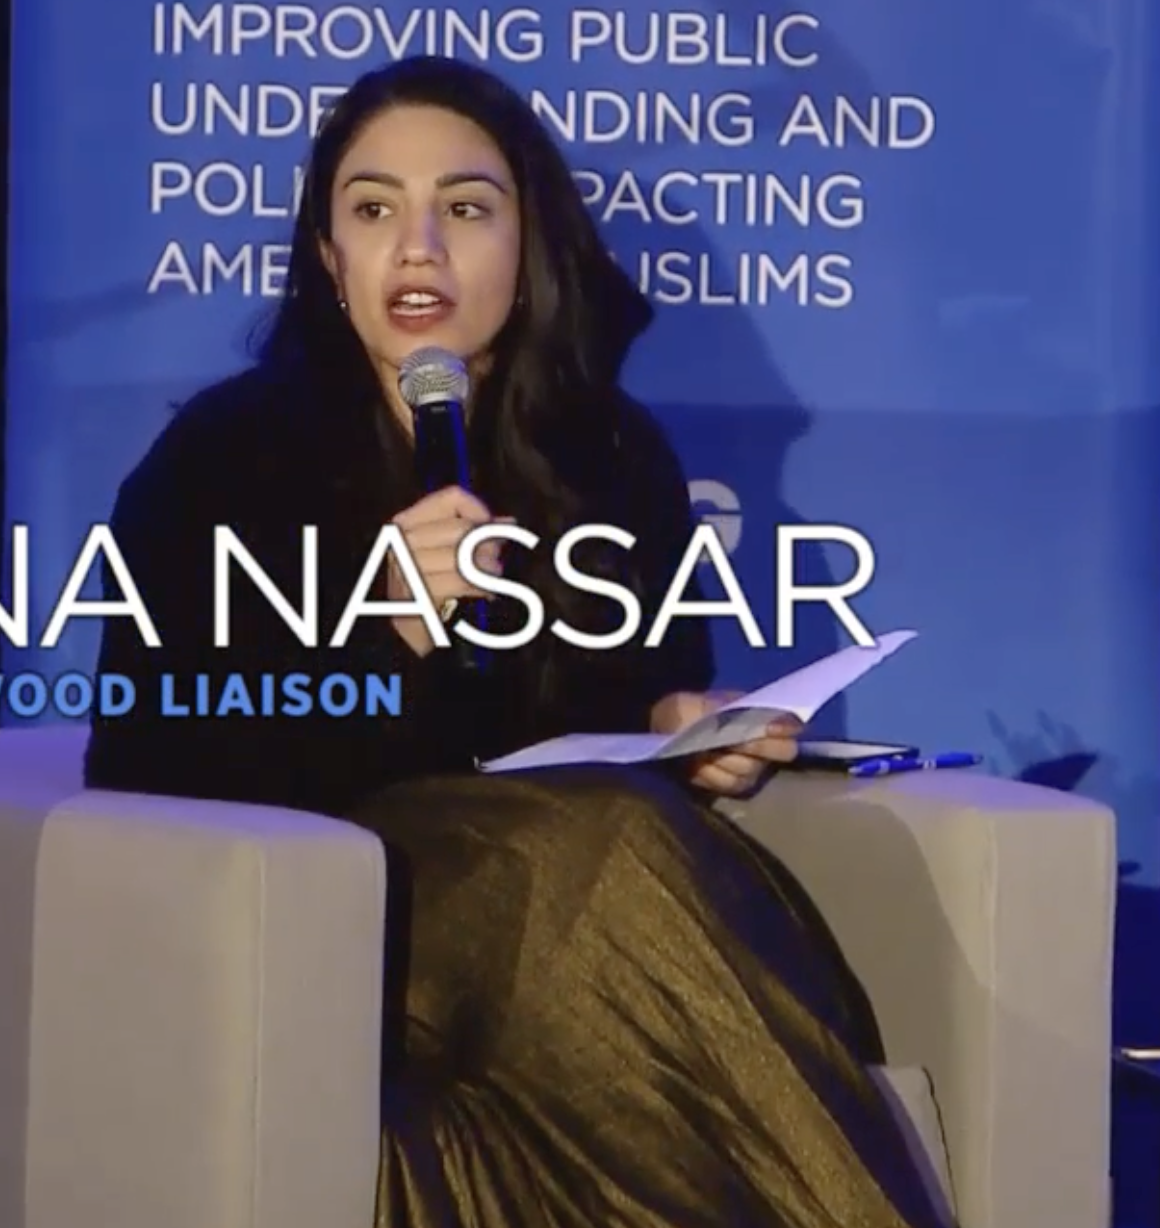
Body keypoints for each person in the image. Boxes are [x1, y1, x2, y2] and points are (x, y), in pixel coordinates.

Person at [85, 54, 947, 1228]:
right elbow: (147, 750)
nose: (419, 248)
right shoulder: (226, 458)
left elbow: (635, 689)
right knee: (601, 849)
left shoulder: (607, 451)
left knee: (625, 842)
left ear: (526, 247)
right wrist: (378, 632)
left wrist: (680, 727)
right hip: (345, 902)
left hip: (585, 884)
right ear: (331, 260)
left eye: (466, 208)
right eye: (374, 209)